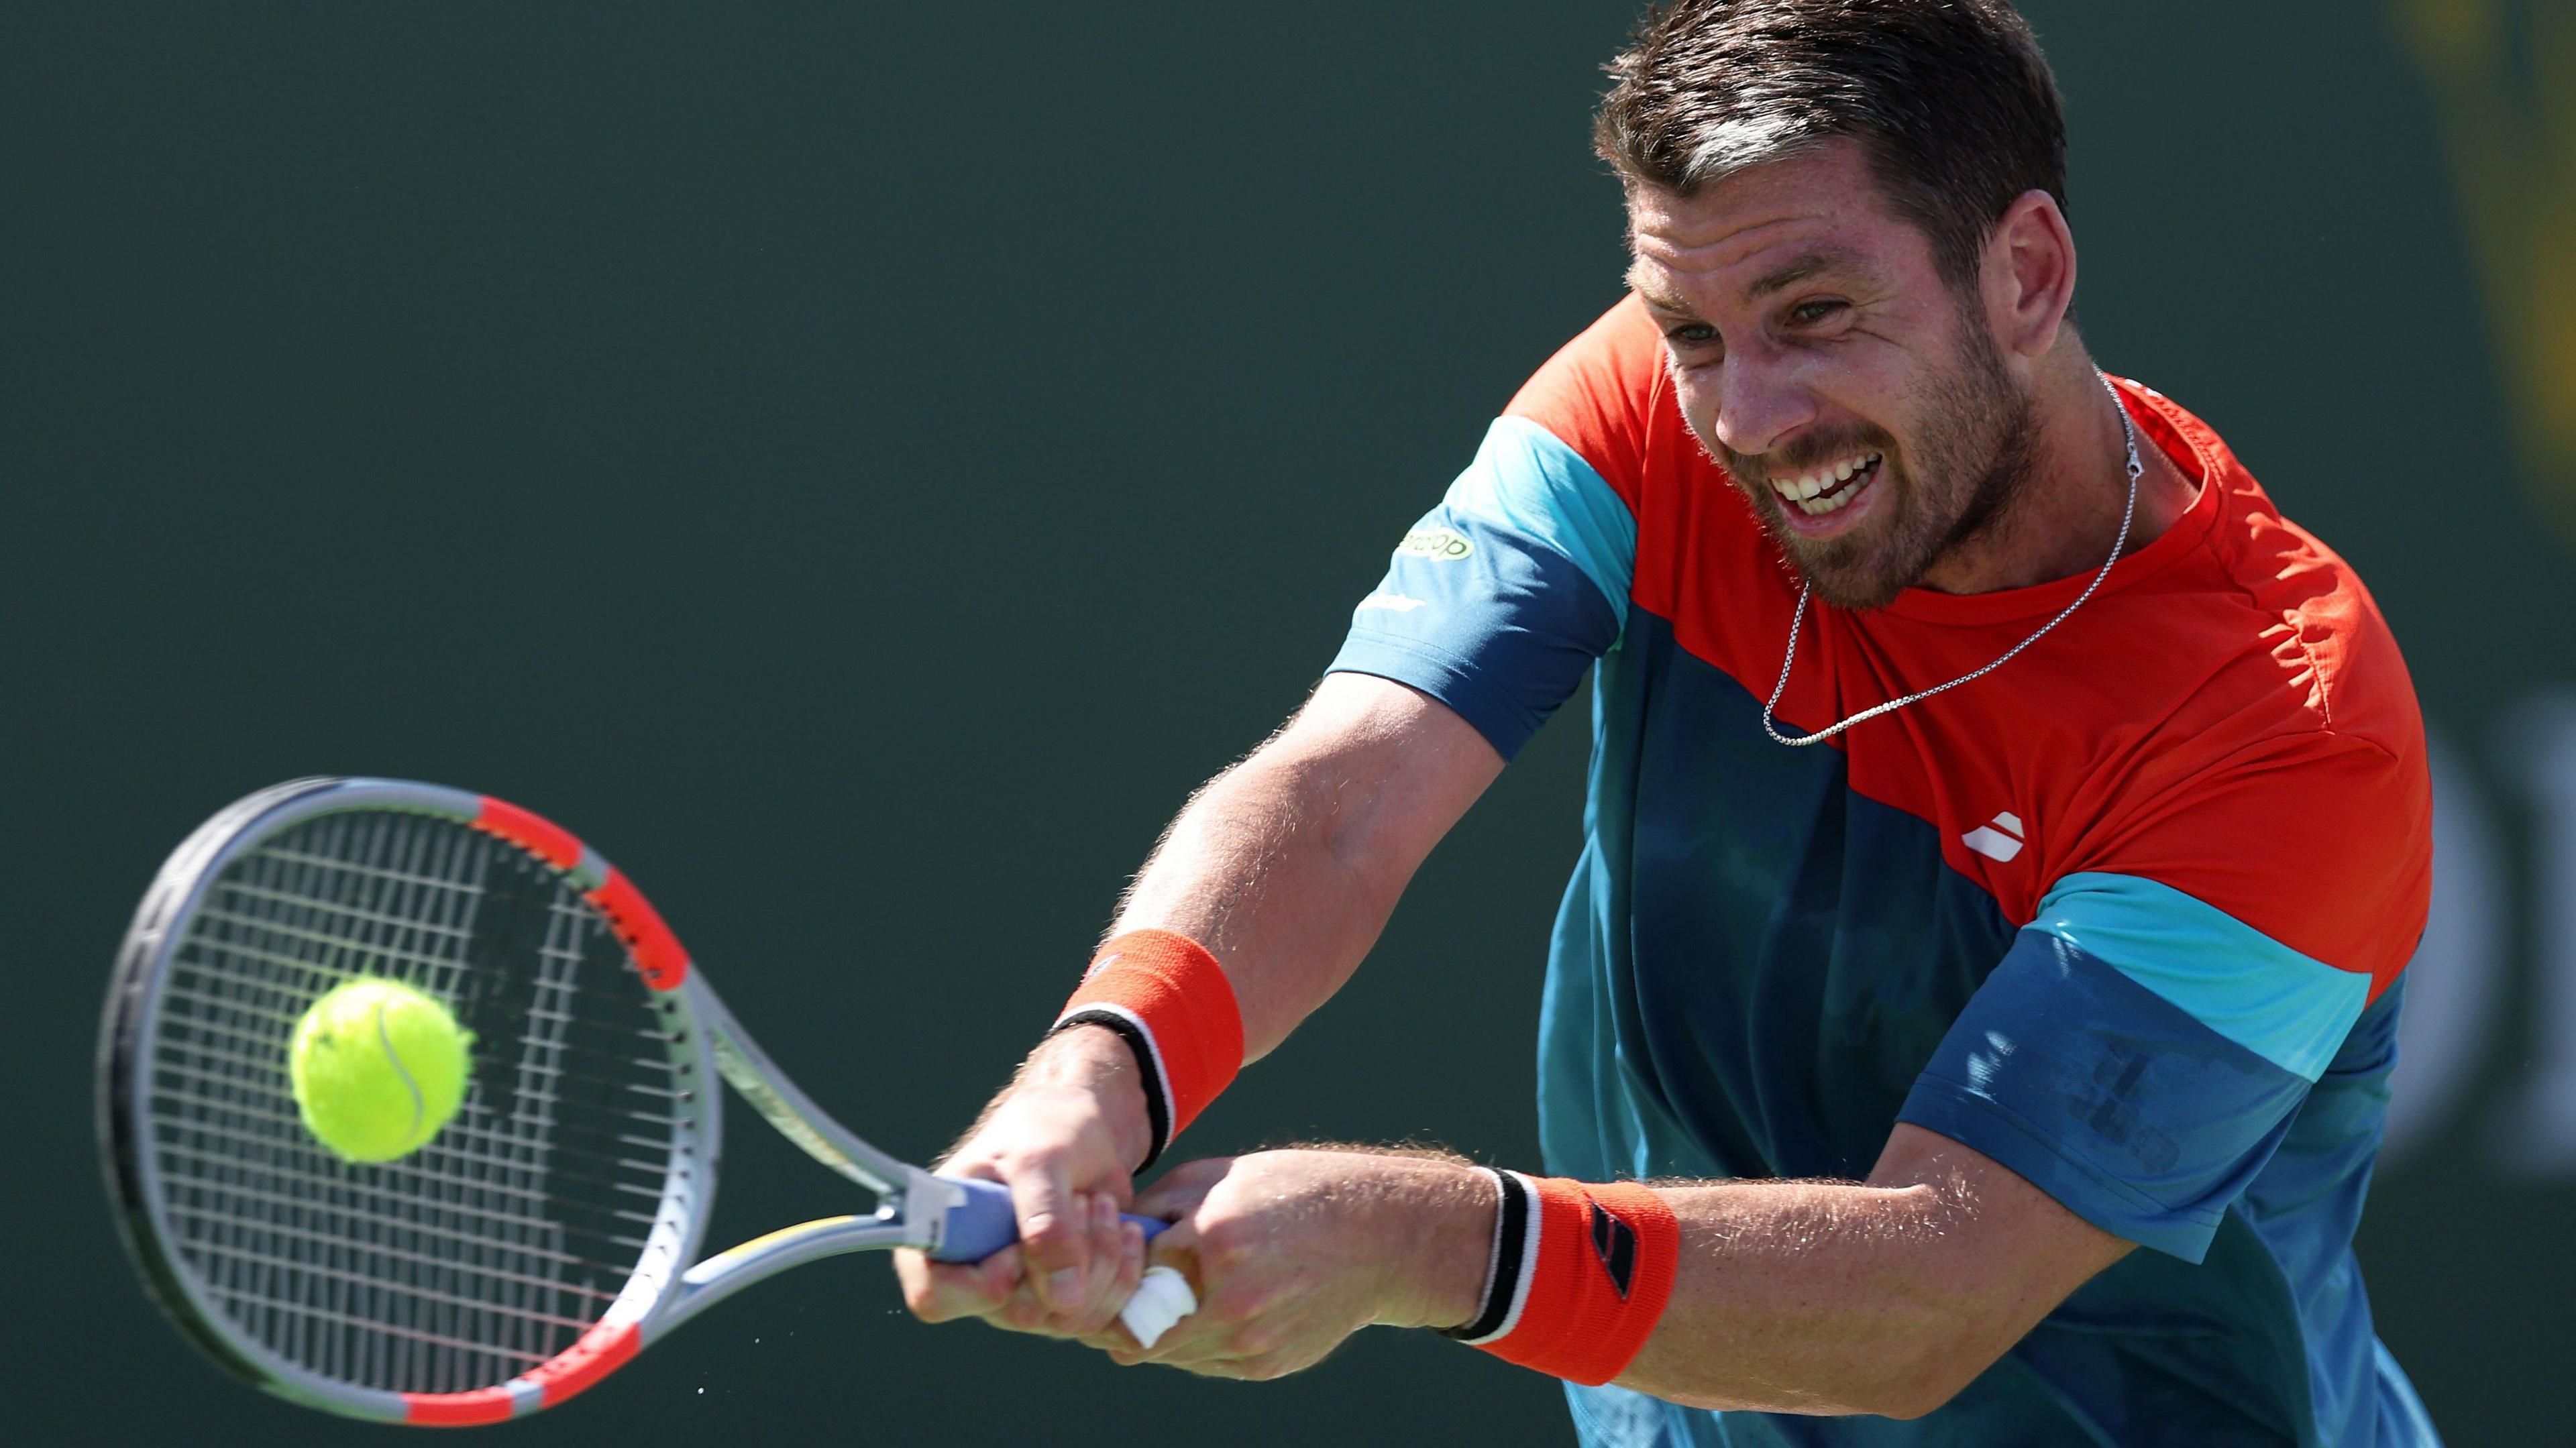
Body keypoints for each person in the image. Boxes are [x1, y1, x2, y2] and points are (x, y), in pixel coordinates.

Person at [895, 2, 2440, 1443]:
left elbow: (1934, 1291)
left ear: (2027, 275)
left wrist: (1414, 1243)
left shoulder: (2289, 733)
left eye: (1817, 312)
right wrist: (1098, 1070)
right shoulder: (1654, 407)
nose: (1750, 420)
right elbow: (1348, 790)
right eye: (1691, 331)